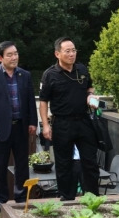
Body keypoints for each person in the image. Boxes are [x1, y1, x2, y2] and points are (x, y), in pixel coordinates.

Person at [39, 37, 99, 201]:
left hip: (83, 120)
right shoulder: (50, 74)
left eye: (74, 50)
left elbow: (90, 88)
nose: (72, 54)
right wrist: (45, 125)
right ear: (57, 53)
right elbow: (43, 101)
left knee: (90, 161)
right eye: (67, 51)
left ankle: (92, 197)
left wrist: (91, 96)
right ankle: (67, 197)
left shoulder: (82, 69)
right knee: (64, 162)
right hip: (62, 123)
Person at [0, 41, 38, 213]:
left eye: (16, 53)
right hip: (0, 128)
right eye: (10, 55)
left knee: (22, 164)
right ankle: (0, 199)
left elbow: (30, 101)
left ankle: (21, 198)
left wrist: (32, 122)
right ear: (0, 58)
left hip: (21, 126)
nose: (14, 57)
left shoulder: (25, 75)